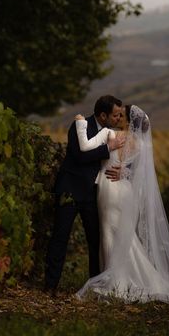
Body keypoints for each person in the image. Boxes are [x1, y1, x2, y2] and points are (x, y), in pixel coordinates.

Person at [73, 104, 169, 310]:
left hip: (108, 188)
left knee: (108, 232)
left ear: (128, 121)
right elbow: (138, 174)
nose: (118, 118)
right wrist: (125, 172)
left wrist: (80, 124)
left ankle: (115, 282)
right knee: (125, 236)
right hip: (125, 190)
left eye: (121, 115)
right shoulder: (140, 144)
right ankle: (135, 277)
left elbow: (87, 149)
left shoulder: (111, 135)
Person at [44, 95, 125, 295]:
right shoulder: (79, 126)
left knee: (95, 239)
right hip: (70, 189)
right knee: (60, 237)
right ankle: (50, 286)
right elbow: (81, 157)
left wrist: (124, 170)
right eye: (115, 115)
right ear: (103, 115)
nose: (118, 119)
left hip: (92, 193)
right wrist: (108, 149)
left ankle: (95, 285)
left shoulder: (111, 133)